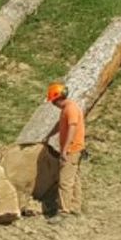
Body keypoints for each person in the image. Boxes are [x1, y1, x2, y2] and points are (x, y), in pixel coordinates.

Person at [47, 81, 85, 217]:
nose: (52, 104)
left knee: (65, 181)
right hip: (75, 149)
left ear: (57, 98)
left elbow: (72, 128)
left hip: (72, 150)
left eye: (52, 101)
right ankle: (75, 206)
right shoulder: (67, 109)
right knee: (74, 178)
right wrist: (48, 136)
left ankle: (64, 211)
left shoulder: (71, 109)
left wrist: (65, 149)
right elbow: (60, 125)